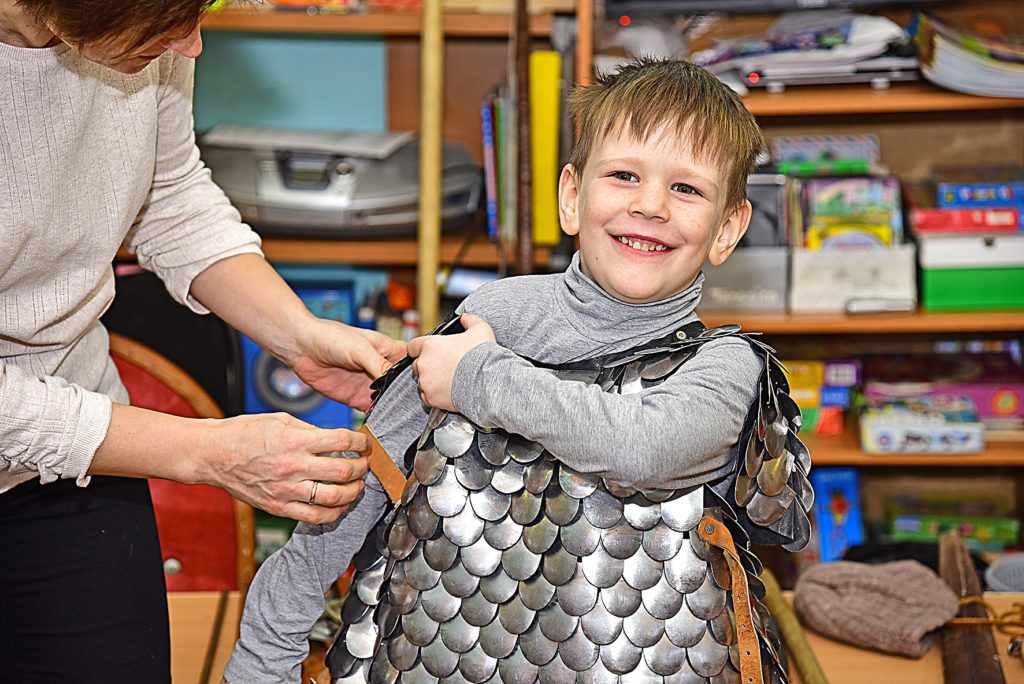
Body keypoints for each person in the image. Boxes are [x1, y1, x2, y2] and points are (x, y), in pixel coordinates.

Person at [227, 57, 811, 683]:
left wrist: (479, 378)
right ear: (571, 197)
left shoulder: (727, 369)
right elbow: (336, 519)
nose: (650, 206)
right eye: (623, 175)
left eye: (686, 189)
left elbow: (645, 447)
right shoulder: (489, 320)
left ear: (727, 229)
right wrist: (262, 667)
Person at [0, 1, 406, 681]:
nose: (190, 45)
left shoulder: (146, 29)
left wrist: (300, 336)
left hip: (76, 461)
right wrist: (205, 452)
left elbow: (168, 194)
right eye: (174, 14)